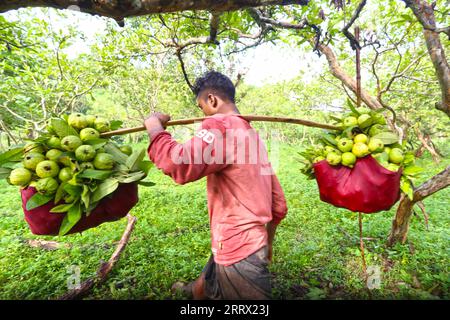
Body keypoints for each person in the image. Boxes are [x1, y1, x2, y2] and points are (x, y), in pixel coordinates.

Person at [144, 71, 288, 300]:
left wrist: (154, 129)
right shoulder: (250, 134)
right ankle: (196, 290)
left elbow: (178, 163)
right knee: (216, 265)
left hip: (238, 242)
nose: (203, 114)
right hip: (252, 237)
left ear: (212, 100)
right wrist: (268, 241)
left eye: (202, 107)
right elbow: (278, 201)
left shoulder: (220, 127)